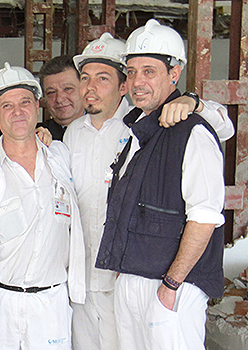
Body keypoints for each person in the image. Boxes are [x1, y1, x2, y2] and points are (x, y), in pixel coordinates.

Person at [64, 32, 233, 350]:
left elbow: (204, 217)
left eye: (149, 71)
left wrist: (171, 284)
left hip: (166, 286)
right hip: (127, 278)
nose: (139, 81)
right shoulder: (136, 131)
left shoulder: (192, 131)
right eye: (133, 71)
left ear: (174, 73)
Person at [0, 63, 86, 350]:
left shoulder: (62, 159)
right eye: (7, 105)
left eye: (25, 102)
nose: (18, 112)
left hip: (52, 305)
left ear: (38, 106)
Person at [35, 55, 83, 140]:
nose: (59, 99)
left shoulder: (106, 130)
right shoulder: (36, 137)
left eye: (67, 89)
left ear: (84, 89)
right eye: (51, 92)